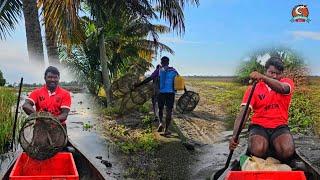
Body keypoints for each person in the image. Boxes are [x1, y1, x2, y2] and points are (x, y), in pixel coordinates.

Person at [229, 57, 295, 163]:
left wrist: (263, 78)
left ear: (282, 74)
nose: (274, 76)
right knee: (257, 149)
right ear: (266, 71)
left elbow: (283, 89)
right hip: (259, 126)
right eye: (271, 72)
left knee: (287, 151)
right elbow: (244, 113)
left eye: (278, 73)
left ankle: (273, 145)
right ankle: (266, 145)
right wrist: (234, 135)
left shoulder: (286, 83)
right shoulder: (253, 88)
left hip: (279, 126)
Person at [135, 56, 179, 136]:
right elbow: (180, 81)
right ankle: (166, 130)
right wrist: (185, 90)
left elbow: (149, 78)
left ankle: (160, 123)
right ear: (168, 62)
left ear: (161, 63)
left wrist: (139, 84)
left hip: (161, 93)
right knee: (169, 111)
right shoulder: (174, 70)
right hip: (170, 93)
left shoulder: (158, 70)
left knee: (160, 109)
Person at [22, 66, 72, 132]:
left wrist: (50, 120)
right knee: (39, 141)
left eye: (55, 77)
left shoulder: (65, 94)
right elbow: (26, 105)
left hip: (59, 127)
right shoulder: (37, 92)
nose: (52, 80)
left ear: (59, 78)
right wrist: (40, 117)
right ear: (45, 78)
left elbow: (64, 115)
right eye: (50, 77)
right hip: (40, 127)